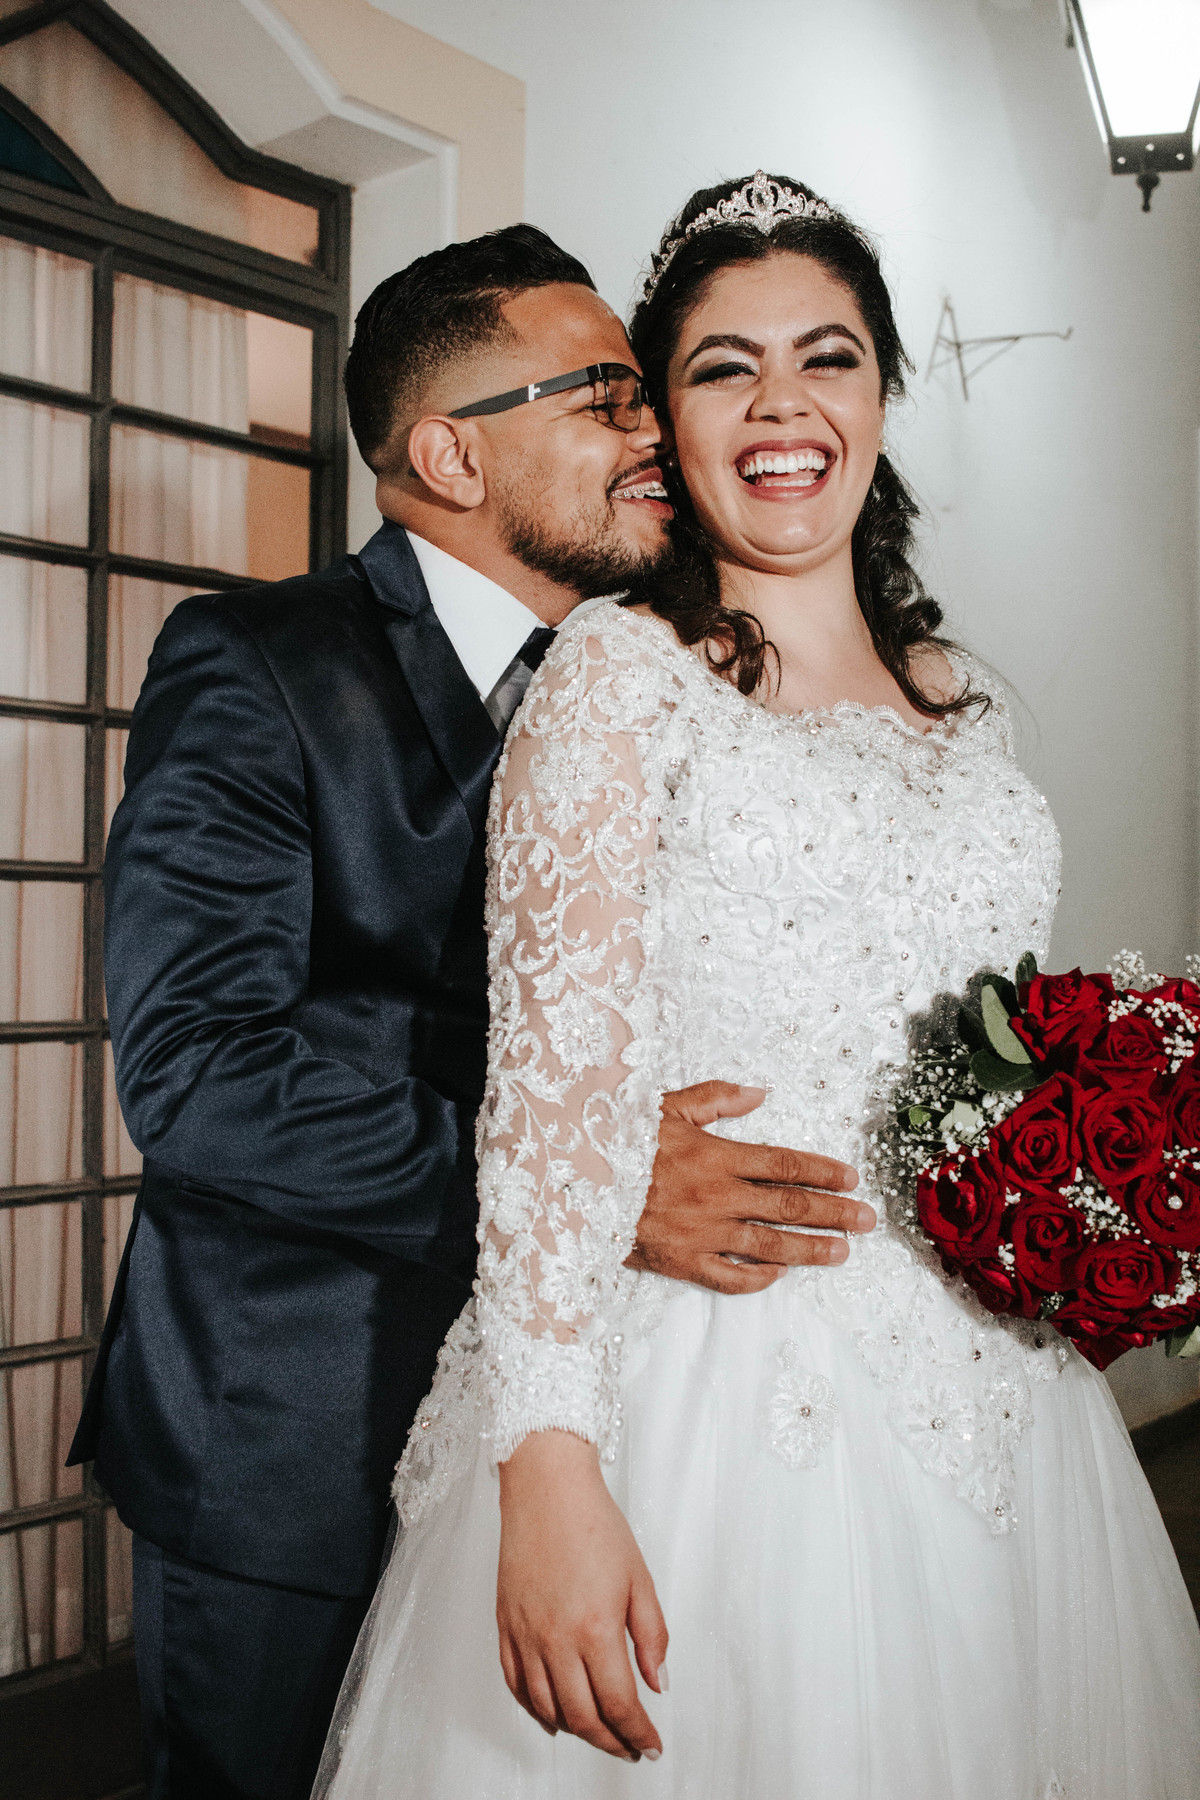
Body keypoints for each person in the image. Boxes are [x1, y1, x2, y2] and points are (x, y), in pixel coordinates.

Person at [314, 176, 1200, 1800]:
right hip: (714, 1385)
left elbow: (979, 1036)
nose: (783, 405)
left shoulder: (964, 699)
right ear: (668, 417)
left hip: (997, 1380)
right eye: (726, 367)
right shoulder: (617, 679)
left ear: (882, 398)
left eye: (827, 357)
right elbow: (552, 1104)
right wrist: (552, 1463)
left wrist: (1090, 1169)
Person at [67, 222, 870, 1800]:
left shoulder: (673, 681)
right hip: (302, 1426)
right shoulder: (257, 663)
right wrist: (590, 1186)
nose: (656, 434)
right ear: (448, 453)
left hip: (598, 1412)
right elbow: (200, 1071)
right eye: (607, 397)